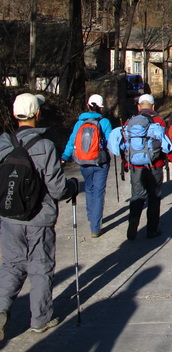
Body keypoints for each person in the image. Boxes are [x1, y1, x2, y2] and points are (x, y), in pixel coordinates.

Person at [0, 93, 78, 339]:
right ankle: (40, 319)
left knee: (12, 266)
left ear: (14, 115)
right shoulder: (44, 146)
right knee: (40, 267)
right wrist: (72, 187)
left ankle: (1, 309)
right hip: (38, 219)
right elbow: (56, 189)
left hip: (9, 216)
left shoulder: (2, 143)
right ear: (37, 114)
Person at [109, 94, 172, 241]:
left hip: (136, 166)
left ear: (139, 107)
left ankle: (133, 220)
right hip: (155, 166)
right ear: (153, 107)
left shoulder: (130, 122)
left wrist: (126, 162)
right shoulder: (159, 121)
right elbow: (167, 145)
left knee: (137, 196)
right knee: (154, 198)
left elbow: (124, 144)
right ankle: (151, 230)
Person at [60, 94, 113, 238]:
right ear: (101, 107)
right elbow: (110, 141)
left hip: (83, 161)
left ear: (87, 105)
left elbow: (72, 141)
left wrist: (65, 156)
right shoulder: (105, 122)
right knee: (99, 191)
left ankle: (92, 218)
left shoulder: (79, 123)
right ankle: (95, 227)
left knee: (89, 189)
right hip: (100, 162)